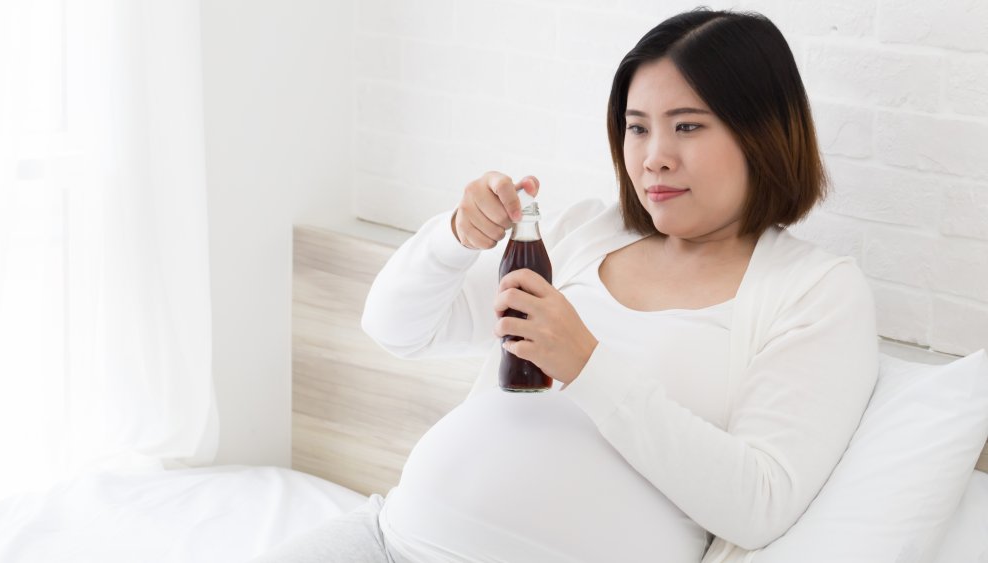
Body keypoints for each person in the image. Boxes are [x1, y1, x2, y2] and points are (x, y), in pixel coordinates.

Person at [252, 7, 878, 563]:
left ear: (762, 133)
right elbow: (393, 328)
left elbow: (759, 503)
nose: (654, 155)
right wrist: (454, 238)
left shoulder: (814, 292)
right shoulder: (586, 233)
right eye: (637, 127)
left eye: (687, 126)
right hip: (390, 540)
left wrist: (585, 364)